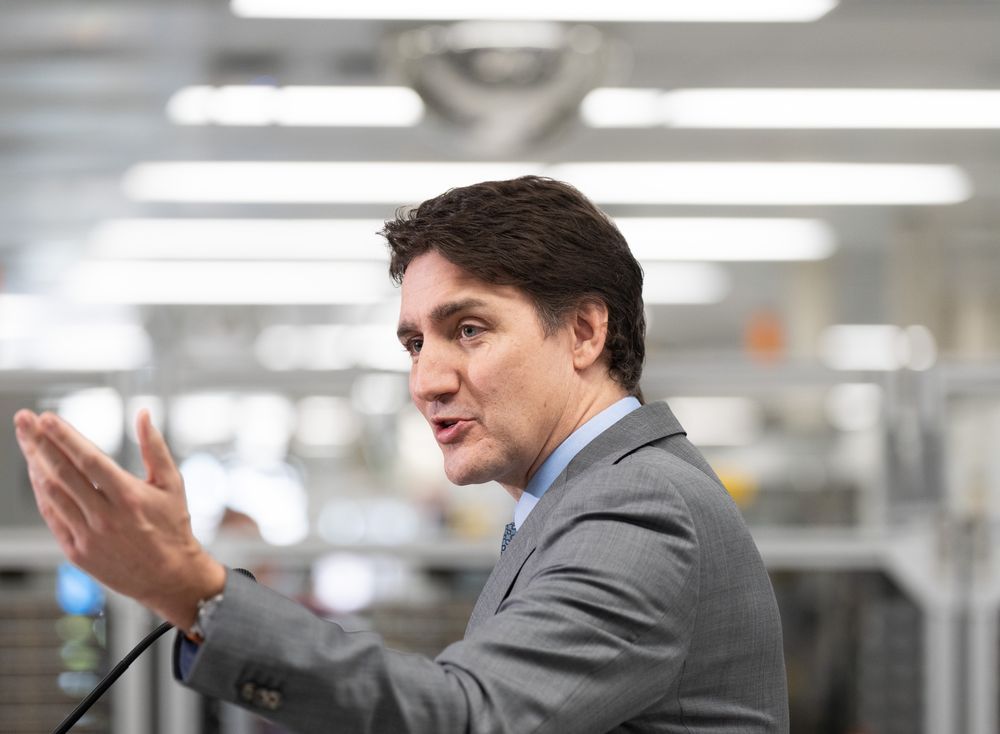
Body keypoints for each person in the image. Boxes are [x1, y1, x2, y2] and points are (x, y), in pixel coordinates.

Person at [14, 176, 788, 733]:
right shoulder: (579, 499)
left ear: (584, 331)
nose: (427, 379)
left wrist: (199, 593)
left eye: (469, 330)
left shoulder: (639, 504)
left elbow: (467, 715)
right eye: (415, 342)